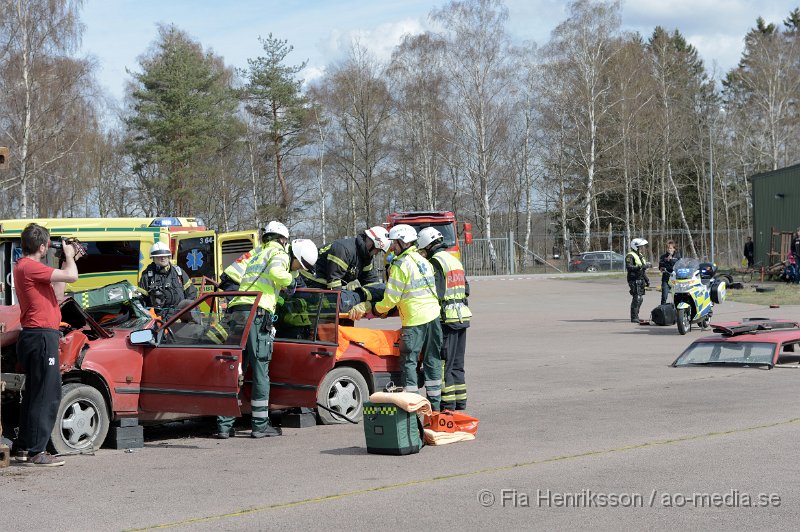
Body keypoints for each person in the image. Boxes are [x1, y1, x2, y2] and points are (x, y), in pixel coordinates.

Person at [215, 222, 318, 439]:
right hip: (257, 314)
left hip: (238, 310)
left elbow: (260, 283)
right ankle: (260, 425)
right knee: (261, 369)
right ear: (284, 240)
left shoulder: (258, 254)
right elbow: (277, 273)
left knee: (235, 368)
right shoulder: (278, 252)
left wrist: (279, 296)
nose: (298, 269)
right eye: (300, 266)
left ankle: (225, 426)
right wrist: (292, 282)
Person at [12, 224, 80, 466]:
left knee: (35, 394)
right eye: (47, 244)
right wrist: (71, 258)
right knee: (48, 394)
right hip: (41, 336)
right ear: (42, 246)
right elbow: (73, 277)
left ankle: (23, 448)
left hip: (37, 335)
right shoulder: (31, 266)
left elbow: (59, 294)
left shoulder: (25, 267)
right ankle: (37, 451)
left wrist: (64, 261)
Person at [373, 224, 443, 411]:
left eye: (394, 243)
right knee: (433, 360)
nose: (392, 247)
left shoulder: (400, 265)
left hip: (415, 320)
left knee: (409, 361)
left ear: (402, 242)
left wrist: (378, 309)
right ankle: (435, 407)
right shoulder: (423, 261)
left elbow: (391, 298)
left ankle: (415, 407)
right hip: (433, 317)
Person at [417, 227, 472, 411]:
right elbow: (466, 289)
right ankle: (460, 402)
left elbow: (437, 293)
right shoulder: (454, 260)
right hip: (461, 317)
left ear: (427, 246)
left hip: (445, 321)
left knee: (443, 365)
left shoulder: (435, 262)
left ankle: (446, 404)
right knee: (457, 363)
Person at [298, 226, 390, 319]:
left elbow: (373, 284)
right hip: (312, 285)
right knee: (343, 304)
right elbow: (335, 289)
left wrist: (371, 303)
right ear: (371, 243)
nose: (377, 253)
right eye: (378, 250)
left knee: (382, 289)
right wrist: (358, 298)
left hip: (330, 289)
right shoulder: (343, 250)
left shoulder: (365, 257)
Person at [138, 242, 197, 317]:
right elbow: (141, 301)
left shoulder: (179, 272)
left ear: (169, 257)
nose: (163, 258)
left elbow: (191, 294)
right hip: (159, 320)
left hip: (179, 317)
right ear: (153, 258)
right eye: (159, 256)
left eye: (165, 255)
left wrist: (185, 311)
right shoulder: (147, 276)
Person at [626, 238, 650, 323]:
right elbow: (629, 267)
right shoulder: (630, 255)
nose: (643, 248)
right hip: (633, 279)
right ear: (635, 246)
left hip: (641, 278)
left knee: (640, 298)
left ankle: (636, 315)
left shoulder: (640, 255)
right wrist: (639, 267)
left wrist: (647, 279)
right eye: (641, 246)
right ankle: (634, 317)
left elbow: (642, 270)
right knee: (637, 297)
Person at [658, 240, 681, 305]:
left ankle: (679, 311)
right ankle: (662, 310)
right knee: (664, 296)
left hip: (676, 280)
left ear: (674, 249)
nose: (669, 249)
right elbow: (660, 266)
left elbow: (679, 265)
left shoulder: (678, 256)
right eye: (668, 248)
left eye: (671, 248)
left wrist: (671, 260)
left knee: (677, 296)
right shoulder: (663, 257)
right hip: (666, 279)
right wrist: (666, 261)